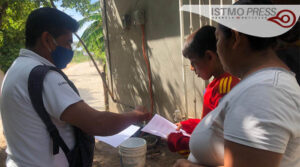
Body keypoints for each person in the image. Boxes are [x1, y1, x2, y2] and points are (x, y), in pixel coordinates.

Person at [0, 7, 150, 167]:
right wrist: (135, 115)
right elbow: (97, 123)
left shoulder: (16, 69)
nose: (70, 50)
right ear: (47, 39)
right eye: (68, 43)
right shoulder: (44, 77)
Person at [173, 0, 300, 167]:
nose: (217, 48)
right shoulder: (261, 85)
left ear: (236, 37)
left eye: (218, 39)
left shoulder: (265, 92)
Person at [167, 26, 240, 156]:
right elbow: (208, 122)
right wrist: (186, 125)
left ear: (209, 56)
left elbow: (216, 138)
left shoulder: (225, 87)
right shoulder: (215, 84)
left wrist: (180, 141)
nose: (191, 68)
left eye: (193, 62)